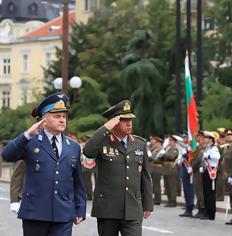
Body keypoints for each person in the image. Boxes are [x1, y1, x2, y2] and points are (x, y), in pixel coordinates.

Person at [2, 92, 87, 236]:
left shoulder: (73, 146)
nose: (62, 120)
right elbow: (7, 155)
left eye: (64, 116)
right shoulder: (30, 141)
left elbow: (78, 181)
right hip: (35, 213)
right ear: (44, 120)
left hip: (63, 214)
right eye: (57, 116)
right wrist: (27, 134)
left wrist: (81, 208)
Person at [83, 100, 153, 236]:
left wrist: (148, 204)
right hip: (108, 208)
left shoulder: (139, 143)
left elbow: (145, 176)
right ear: (113, 122)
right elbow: (88, 151)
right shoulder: (102, 141)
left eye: (130, 120)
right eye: (123, 120)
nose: (129, 123)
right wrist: (105, 128)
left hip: (133, 207)